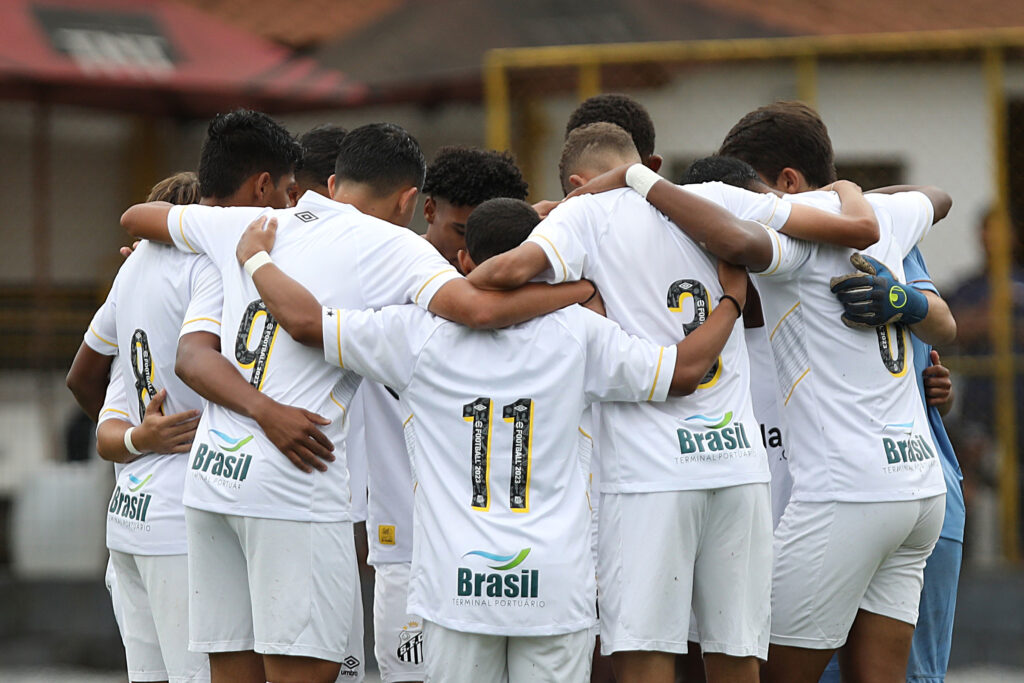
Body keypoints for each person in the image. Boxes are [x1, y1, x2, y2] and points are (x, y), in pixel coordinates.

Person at [118, 122, 595, 683]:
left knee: (232, 669)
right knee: (306, 670)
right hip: (294, 477)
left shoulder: (254, 222)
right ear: (409, 200)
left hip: (214, 478)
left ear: (334, 180)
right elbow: (479, 309)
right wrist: (578, 289)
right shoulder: (387, 244)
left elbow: (135, 217)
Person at [234, 194, 751, 682]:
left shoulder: (412, 334)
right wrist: (730, 299)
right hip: (555, 587)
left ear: (462, 259)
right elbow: (684, 372)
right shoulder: (581, 332)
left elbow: (303, 320)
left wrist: (255, 259)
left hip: (455, 588)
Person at [465, 121, 879, 683]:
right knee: (736, 652)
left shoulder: (581, 215)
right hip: (737, 467)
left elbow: (499, 277)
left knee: (646, 650)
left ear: (578, 182)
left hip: (650, 474)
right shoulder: (713, 198)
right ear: (643, 165)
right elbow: (851, 227)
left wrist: (579, 288)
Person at [570, 103, 950, 683]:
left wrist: (639, 179)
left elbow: (730, 236)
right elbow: (936, 195)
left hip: (848, 491)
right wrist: (851, 190)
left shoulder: (791, 251)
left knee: (756, 671)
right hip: (919, 489)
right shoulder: (885, 217)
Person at [344, 145, 528, 683]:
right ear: (427, 211)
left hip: (511, 556)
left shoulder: (547, 308)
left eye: (489, 238)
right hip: (406, 546)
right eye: (461, 232)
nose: (474, 256)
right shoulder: (376, 288)